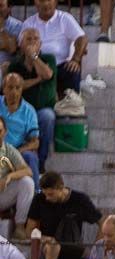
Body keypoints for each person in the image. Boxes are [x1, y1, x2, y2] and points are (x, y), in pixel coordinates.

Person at [24, 171, 100, 259]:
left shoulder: (80, 200)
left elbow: (102, 222)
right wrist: (43, 238)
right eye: (45, 194)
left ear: (61, 188)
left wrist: (97, 246)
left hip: (74, 247)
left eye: (51, 194)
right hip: (49, 247)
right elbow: (29, 230)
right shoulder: (39, 200)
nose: (47, 198)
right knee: (53, 247)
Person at [7, 29, 55, 176]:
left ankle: (40, 163)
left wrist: (34, 56)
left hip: (41, 111)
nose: (32, 42)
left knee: (48, 116)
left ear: (40, 44)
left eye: (35, 39)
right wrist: (37, 80)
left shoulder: (49, 59)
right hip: (22, 111)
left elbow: (47, 74)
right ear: (21, 44)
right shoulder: (15, 64)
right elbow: (15, 85)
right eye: (28, 39)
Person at [19, 0, 84, 95]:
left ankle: (72, 106)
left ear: (56, 1)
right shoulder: (29, 23)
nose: (46, 4)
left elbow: (81, 38)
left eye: (49, 0)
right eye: (41, 1)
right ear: (36, 2)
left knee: (73, 70)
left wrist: (75, 59)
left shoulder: (64, 18)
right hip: (36, 64)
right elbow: (22, 46)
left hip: (60, 66)